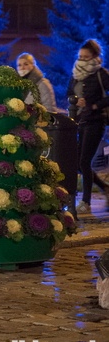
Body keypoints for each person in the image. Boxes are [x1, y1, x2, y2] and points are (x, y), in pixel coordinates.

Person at [66, 38, 109, 215]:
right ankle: (105, 187)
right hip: (80, 121)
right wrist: (76, 101)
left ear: (94, 57)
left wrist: (93, 105)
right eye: (80, 56)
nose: (82, 60)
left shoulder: (100, 74)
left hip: (95, 121)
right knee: (77, 162)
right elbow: (69, 93)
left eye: (86, 57)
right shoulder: (75, 74)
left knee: (84, 160)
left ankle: (85, 202)